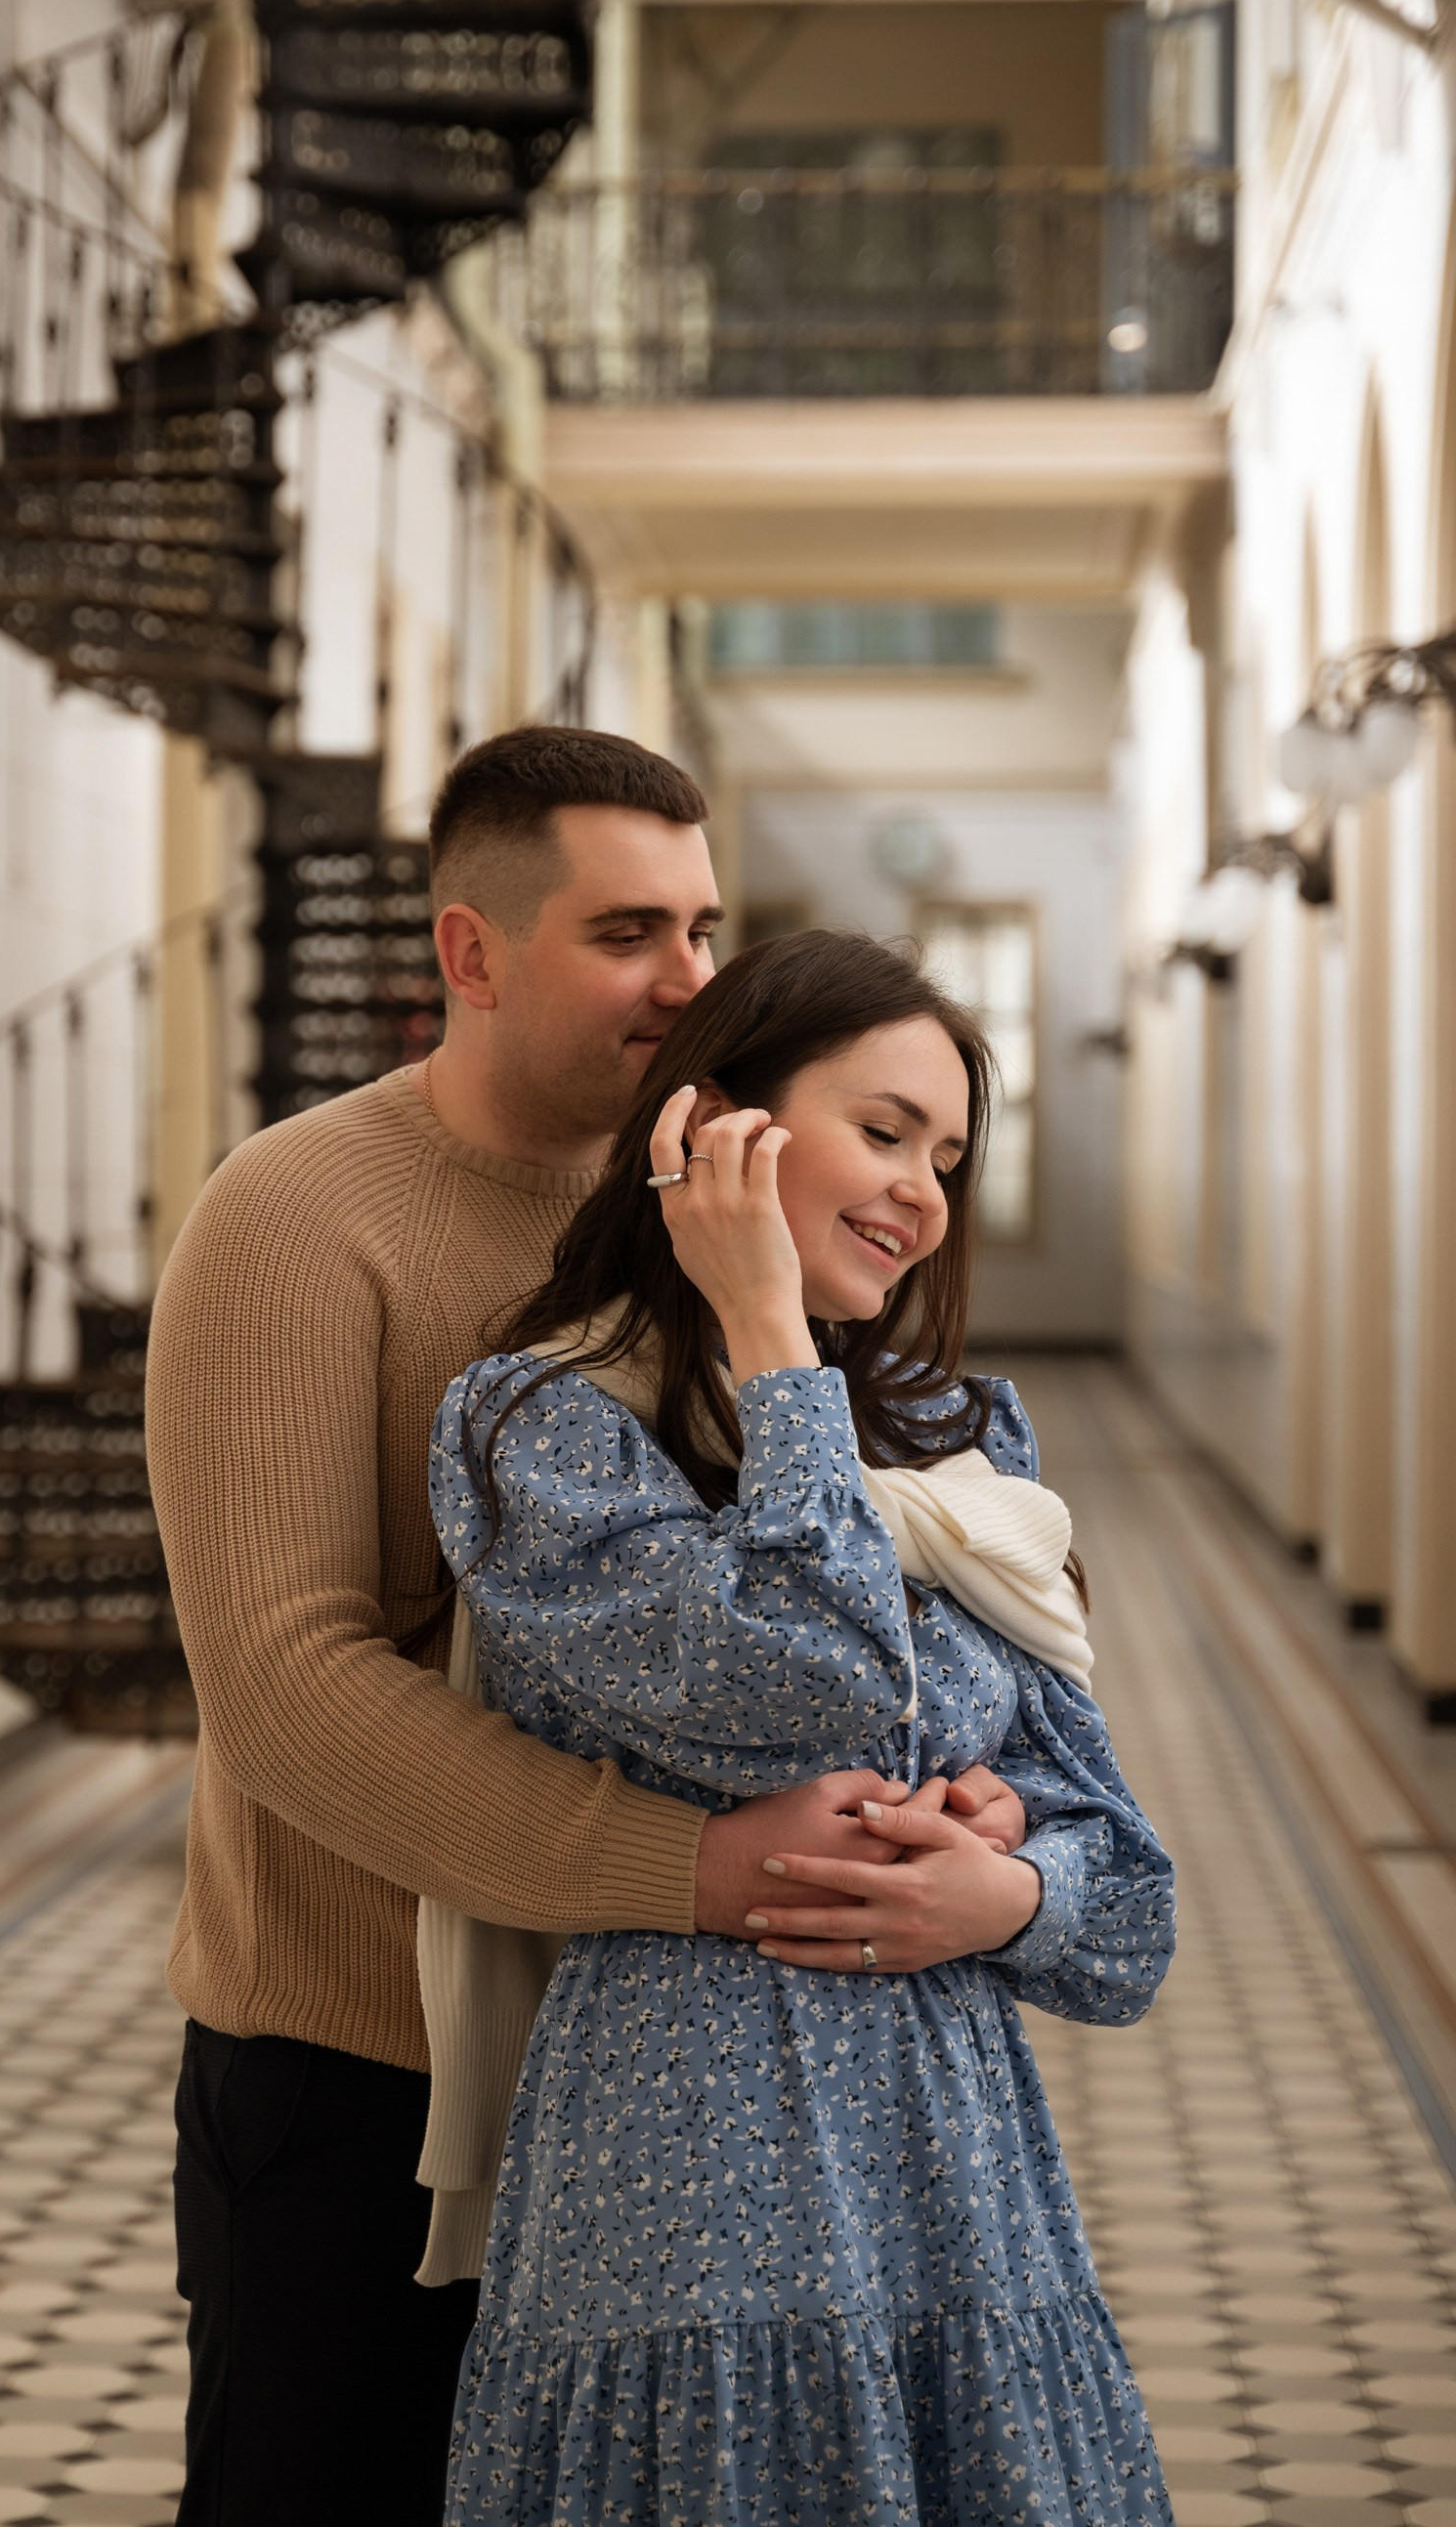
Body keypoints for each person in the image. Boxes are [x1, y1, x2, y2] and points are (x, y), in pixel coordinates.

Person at [145, 732, 1023, 2527]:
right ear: (470, 956)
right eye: (629, 932)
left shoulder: (740, 1205)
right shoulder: (296, 1220)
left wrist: (958, 1800)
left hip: (677, 2087)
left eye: (705, 926)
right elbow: (287, 1689)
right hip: (362, 2074)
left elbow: (841, 1587)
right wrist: (702, 1865)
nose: (690, 980)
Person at [431, 926, 1177, 2527]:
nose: (923, 1192)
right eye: (885, 1130)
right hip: (685, 2168)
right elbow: (815, 1683)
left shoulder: (967, 1440)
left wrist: (1012, 1889)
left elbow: (1132, 1913)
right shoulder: (541, 1426)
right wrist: (774, 1340)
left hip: (960, 2178)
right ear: (716, 1130)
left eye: (952, 1156)